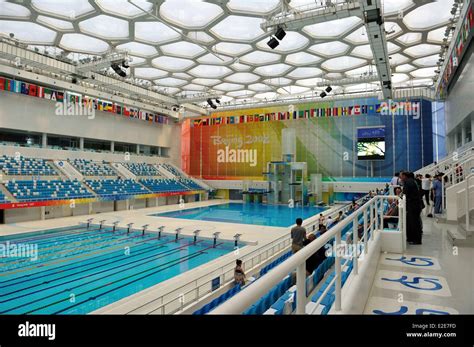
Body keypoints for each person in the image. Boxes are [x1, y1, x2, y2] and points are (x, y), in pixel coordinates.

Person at [400, 171, 423, 245]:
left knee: (414, 223)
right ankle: (412, 238)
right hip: (415, 204)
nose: (400, 178)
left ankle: (416, 240)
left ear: (405, 176)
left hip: (413, 205)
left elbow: (405, 192)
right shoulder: (413, 181)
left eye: (401, 176)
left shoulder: (408, 182)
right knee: (413, 222)